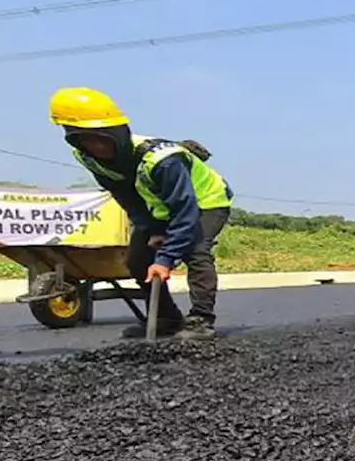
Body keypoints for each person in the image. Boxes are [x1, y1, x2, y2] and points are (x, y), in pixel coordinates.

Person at [48, 87, 233, 341]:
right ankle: (167, 320)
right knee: (137, 260)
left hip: (206, 202)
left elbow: (185, 212)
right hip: (164, 208)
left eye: (102, 139)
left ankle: (201, 320)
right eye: (87, 140)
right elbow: (125, 194)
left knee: (196, 250)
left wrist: (166, 259)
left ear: (117, 133)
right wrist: (152, 229)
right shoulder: (88, 158)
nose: (97, 147)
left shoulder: (163, 160)